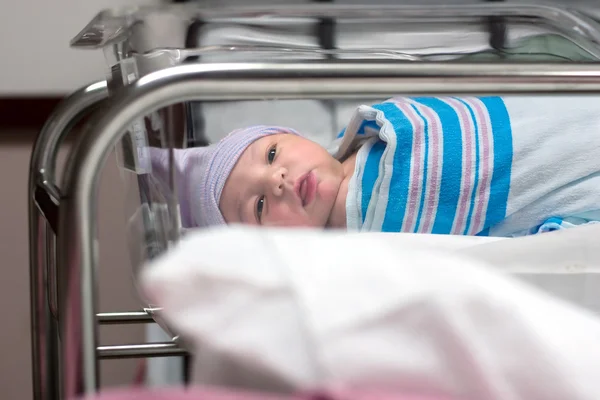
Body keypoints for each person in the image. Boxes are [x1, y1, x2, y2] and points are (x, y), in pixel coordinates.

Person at [149, 95, 600, 237]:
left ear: (295, 135)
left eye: (270, 155)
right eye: (260, 206)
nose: (279, 178)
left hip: (557, 132)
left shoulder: (378, 135)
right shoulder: (353, 254)